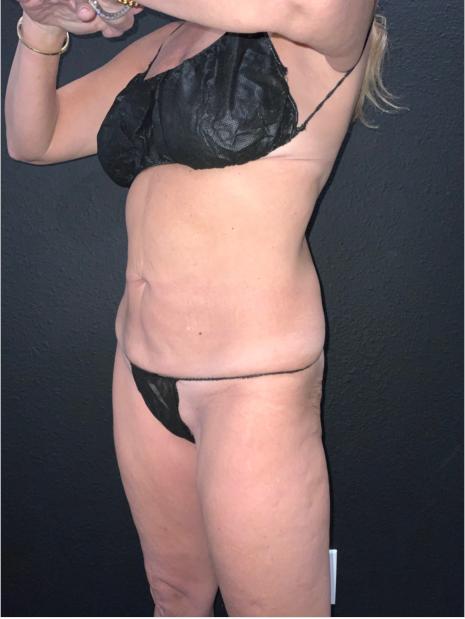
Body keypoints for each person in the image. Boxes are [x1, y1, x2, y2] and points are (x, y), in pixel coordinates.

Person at [5, 0, 396, 615]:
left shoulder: (327, 17)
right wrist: (42, 23)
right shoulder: (168, 41)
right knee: (174, 594)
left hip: (251, 385)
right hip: (140, 364)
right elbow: (35, 138)